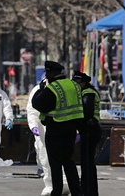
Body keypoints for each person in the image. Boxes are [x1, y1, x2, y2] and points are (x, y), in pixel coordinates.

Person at [32, 61, 83, 196]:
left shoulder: (53, 88)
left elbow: (38, 104)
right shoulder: (74, 85)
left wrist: (42, 89)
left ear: (52, 73)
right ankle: (76, 191)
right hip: (72, 128)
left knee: (55, 163)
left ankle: (57, 190)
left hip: (56, 127)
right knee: (68, 160)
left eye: (48, 73)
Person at [72, 72, 101, 196]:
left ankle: (88, 191)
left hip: (90, 130)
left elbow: (87, 111)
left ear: (83, 82)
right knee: (86, 163)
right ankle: (88, 190)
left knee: (87, 164)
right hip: (88, 130)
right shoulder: (84, 92)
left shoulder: (88, 93)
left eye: (77, 83)